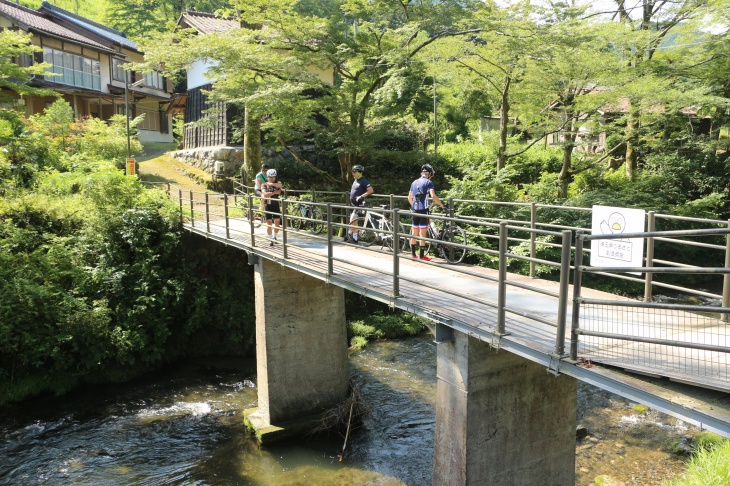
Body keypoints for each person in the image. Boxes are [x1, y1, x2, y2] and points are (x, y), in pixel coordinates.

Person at [408, 163, 445, 261]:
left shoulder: (414, 182)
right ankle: (421, 256)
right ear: (429, 174)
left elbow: (409, 197)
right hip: (424, 210)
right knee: (422, 234)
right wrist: (442, 205)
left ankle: (413, 254)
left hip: (414, 210)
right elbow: (433, 196)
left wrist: (413, 206)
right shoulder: (428, 182)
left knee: (414, 232)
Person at [346, 164, 374, 243]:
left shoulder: (363, 180)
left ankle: (349, 234)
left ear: (360, 172)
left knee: (352, 219)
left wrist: (361, 196)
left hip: (358, 205)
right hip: (353, 204)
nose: (353, 174)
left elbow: (371, 190)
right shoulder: (356, 180)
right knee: (355, 221)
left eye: (354, 172)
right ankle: (355, 238)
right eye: (352, 172)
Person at [262, 168, 283, 246]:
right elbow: (265, 194)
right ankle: (270, 239)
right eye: (270, 177)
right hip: (267, 205)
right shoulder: (264, 184)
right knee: (269, 222)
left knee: (277, 222)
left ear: (275, 177)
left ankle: (274, 237)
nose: (271, 179)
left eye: (273, 177)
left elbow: (280, 186)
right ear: (267, 177)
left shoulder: (277, 183)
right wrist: (274, 192)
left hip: (275, 204)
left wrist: (272, 185)